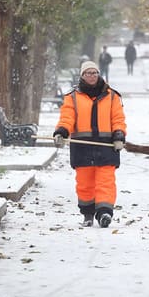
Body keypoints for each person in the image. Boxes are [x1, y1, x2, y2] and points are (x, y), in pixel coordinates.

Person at [52, 60, 127, 228]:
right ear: (82, 76)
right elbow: (67, 117)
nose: (92, 76)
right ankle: (88, 213)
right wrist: (61, 132)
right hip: (82, 146)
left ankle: (104, 213)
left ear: (99, 74)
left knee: (105, 181)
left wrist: (119, 135)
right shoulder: (72, 97)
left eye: (94, 73)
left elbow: (118, 118)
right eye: (88, 73)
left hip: (106, 145)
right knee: (85, 183)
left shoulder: (112, 96)